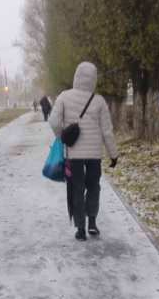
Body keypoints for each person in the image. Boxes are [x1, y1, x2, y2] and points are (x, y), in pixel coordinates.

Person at [49, 61, 118, 241]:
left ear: (76, 77)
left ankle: (80, 229)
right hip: (94, 154)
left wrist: (62, 137)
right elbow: (107, 131)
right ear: (93, 79)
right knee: (93, 186)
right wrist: (113, 154)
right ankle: (92, 223)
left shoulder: (64, 97)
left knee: (77, 189)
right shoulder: (99, 101)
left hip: (73, 153)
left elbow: (54, 121)